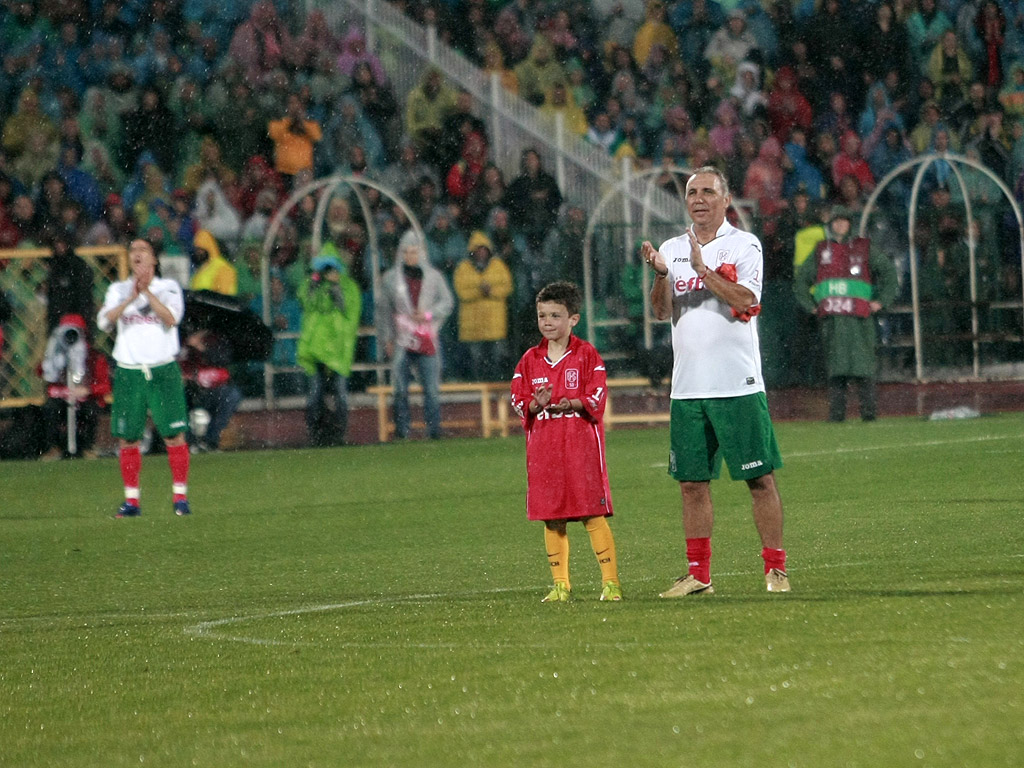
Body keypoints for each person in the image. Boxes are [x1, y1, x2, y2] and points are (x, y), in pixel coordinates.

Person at [641, 166, 789, 596]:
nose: (699, 199)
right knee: (691, 484)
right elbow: (660, 313)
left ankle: (776, 569)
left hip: (737, 385)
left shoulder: (745, 245)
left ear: (726, 200)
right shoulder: (671, 248)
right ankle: (698, 575)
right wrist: (662, 275)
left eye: (708, 191)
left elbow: (748, 299)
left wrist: (705, 272)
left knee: (759, 479)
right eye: (692, 192)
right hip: (687, 389)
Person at [510, 281, 621, 603]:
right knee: (553, 516)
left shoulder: (587, 354)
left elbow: (598, 394)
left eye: (555, 315)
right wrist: (535, 403)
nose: (547, 322)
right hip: (544, 451)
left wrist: (571, 403)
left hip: (579, 448)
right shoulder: (530, 360)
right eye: (542, 315)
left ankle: (610, 583)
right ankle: (561, 585)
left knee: (591, 514)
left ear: (573, 319)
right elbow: (518, 400)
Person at [96, 237, 192, 518]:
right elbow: (104, 321)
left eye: (143, 250)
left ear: (154, 260)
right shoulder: (117, 289)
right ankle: (132, 502)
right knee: (128, 437)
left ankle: (180, 497)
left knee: (173, 434)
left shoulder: (168, 288)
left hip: (163, 369)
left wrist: (147, 293)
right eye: (133, 250)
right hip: (129, 371)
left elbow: (171, 318)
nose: (137, 254)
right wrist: (130, 296)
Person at [793, 206, 899, 422]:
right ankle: (837, 415)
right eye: (836, 221)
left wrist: (881, 302)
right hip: (833, 320)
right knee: (836, 370)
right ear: (831, 224)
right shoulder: (821, 250)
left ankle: (868, 414)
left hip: (860, 320)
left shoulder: (863, 248)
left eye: (844, 221)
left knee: (864, 368)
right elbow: (801, 281)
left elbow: (888, 273)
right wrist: (810, 305)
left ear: (850, 224)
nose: (840, 225)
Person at [375, 229, 454, 440]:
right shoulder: (391, 279)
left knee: (431, 387)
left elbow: (447, 302)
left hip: (426, 337)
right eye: (407, 252)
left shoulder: (433, 277)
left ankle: (434, 430)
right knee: (400, 388)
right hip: (402, 338)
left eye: (414, 251)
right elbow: (383, 311)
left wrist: (428, 314)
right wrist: (387, 339)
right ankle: (402, 430)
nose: (411, 256)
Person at [297, 249, 362, 446]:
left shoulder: (348, 287)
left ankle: (340, 433)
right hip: (317, 350)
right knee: (315, 393)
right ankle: (314, 433)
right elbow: (306, 304)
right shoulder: (313, 285)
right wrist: (314, 285)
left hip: (337, 350)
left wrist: (336, 290)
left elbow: (350, 311)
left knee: (340, 394)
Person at [39, 313, 111, 460]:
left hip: (85, 400)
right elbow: (42, 372)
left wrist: (87, 390)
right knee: (50, 409)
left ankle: (88, 447)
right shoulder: (56, 355)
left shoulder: (94, 357)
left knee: (91, 410)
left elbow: (105, 386)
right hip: (61, 398)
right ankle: (54, 447)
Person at [453, 230, 513, 382]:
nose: (481, 253)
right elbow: (461, 291)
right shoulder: (463, 268)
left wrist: (491, 291)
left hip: (494, 324)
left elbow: (507, 287)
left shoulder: (498, 265)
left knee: (497, 359)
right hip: (473, 327)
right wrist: (480, 291)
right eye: (478, 250)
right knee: (476, 361)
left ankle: (495, 386)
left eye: (484, 250)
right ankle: (479, 386)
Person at [178, 327, 242, 452]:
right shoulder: (179, 340)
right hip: (188, 389)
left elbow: (222, 360)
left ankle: (211, 441)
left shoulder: (218, 340)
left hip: (214, 390)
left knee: (231, 396)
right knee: (176, 400)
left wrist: (201, 348)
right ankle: (188, 442)